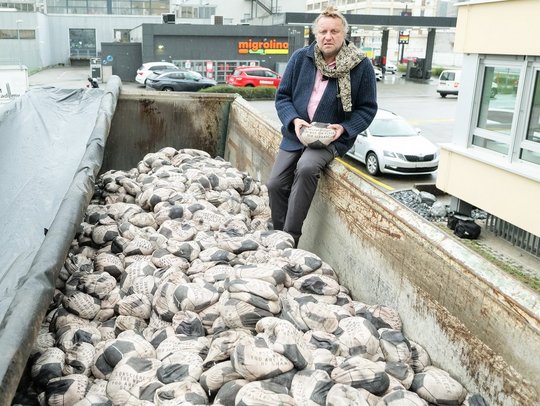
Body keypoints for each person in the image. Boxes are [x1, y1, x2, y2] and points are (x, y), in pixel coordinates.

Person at [266, 6, 378, 248]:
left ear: (344, 34)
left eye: (334, 31)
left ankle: (289, 240)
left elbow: (367, 109)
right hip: (298, 133)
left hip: (331, 137)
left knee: (306, 168)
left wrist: (344, 129)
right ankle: (279, 232)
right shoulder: (301, 59)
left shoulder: (360, 66)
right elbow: (282, 97)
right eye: (323, 31)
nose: (328, 36)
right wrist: (294, 121)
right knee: (275, 184)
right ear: (315, 34)